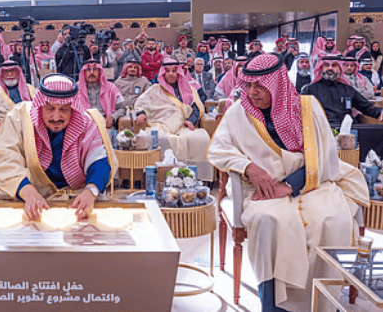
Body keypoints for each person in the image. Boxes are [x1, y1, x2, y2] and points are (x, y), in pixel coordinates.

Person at [208, 53, 369, 312]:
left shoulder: (308, 108)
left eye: (260, 86)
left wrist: (291, 185)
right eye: (248, 85)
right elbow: (219, 149)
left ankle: (320, 303)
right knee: (269, 221)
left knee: (331, 220)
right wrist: (248, 167)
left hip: (312, 183)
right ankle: (274, 306)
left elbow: (323, 154)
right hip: (262, 189)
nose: (251, 92)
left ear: (277, 84)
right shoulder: (238, 113)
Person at [0, 74, 117, 221]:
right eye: (50, 108)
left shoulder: (86, 123)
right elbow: (5, 160)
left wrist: (90, 191)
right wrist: (28, 192)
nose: (56, 117)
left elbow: (99, 162)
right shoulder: (18, 118)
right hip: (27, 196)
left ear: (73, 108)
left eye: (64, 109)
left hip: (74, 198)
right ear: (40, 104)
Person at [134, 59, 211, 180]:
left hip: (183, 126)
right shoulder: (155, 89)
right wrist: (142, 114)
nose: (171, 74)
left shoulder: (189, 89)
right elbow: (141, 103)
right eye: (167, 71)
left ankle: (197, 177)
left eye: (174, 71)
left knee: (201, 139)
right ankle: (156, 177)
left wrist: (191, 120)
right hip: (161, 125)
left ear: (178, 73)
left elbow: (197, 107)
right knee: (158, 139)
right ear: (163, 73)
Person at [301, 55, 383, 128]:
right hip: (321, 131)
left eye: (334, 65)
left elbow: (366, 107)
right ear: (321, 68)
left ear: (339, 68)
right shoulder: (309, 90)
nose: (330, 68)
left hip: (346, 130)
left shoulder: (347, 89)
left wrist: (380, 112)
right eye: (326, 65)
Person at [76, 60, 123, 129]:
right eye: (88, 69)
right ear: (84, 72)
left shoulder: (111, 88)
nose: (91, 72)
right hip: (82, 126)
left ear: (100, 71)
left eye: (95, 69)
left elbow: (122, 108)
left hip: (104, 125)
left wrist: (112, 117)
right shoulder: (76, 89)